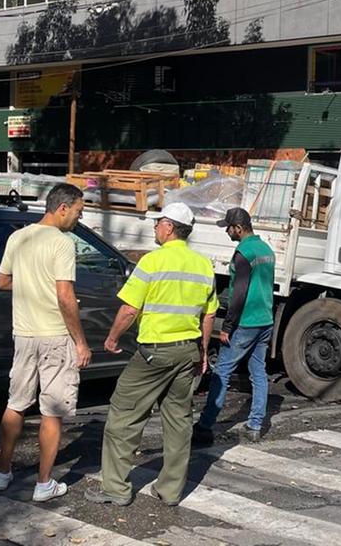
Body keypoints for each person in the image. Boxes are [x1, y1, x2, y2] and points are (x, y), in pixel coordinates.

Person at [86, 202, 219, 507]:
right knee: (178, 422)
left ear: (170, 227)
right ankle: (170, 491)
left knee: (124, 415)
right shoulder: (203, 265)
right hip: (187, 351)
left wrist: (112, 337)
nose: (155, 228)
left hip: (154, 354)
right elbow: (209, 315)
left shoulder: (152, 262)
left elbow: (130, 308)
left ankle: (116, 490)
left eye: (158, 223)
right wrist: (201, 352)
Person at [0, 184, 92, 503]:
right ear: (62, 208)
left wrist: (33, 285)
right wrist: (81, 342)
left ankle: (2, 473)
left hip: (24, 334)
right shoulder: (62, 244)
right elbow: (65, 296)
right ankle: (43, 483)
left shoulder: (18, 237)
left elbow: (2, 281)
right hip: (54, 336)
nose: (79, 218)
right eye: (78, 212)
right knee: (52, 411)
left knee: (15, 403)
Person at [193, 207, 276, 444]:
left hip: (246, 323)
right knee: (258, 372)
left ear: (238, 228)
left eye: (228, 228)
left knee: (222, 372)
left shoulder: (243, 253)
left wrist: (227, 326)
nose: (227, 232)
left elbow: (238, 294)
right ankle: (255, 425)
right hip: (265, 320)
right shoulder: (266, 250)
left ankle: (205, 425)